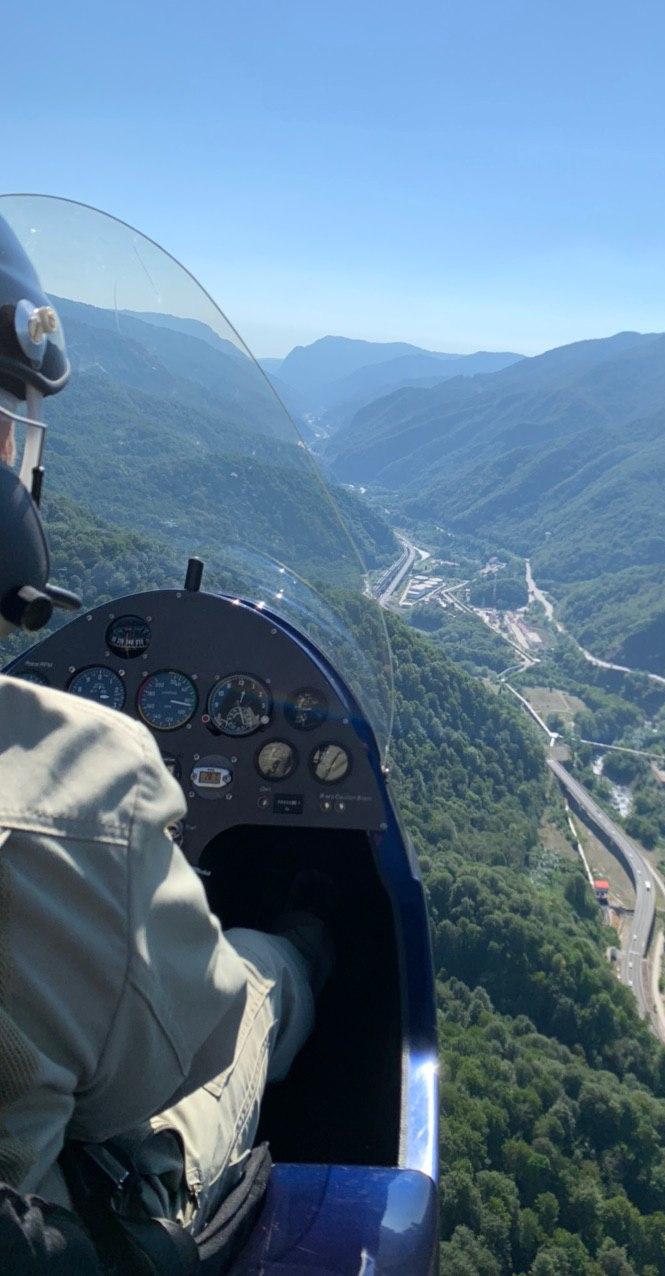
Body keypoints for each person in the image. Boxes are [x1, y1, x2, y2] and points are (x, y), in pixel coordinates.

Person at [0, 213, 328, 1259]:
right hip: (51, 1220)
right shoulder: (78, 790)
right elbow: (176, 1055)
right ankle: (309, 955)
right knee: (255, 980)